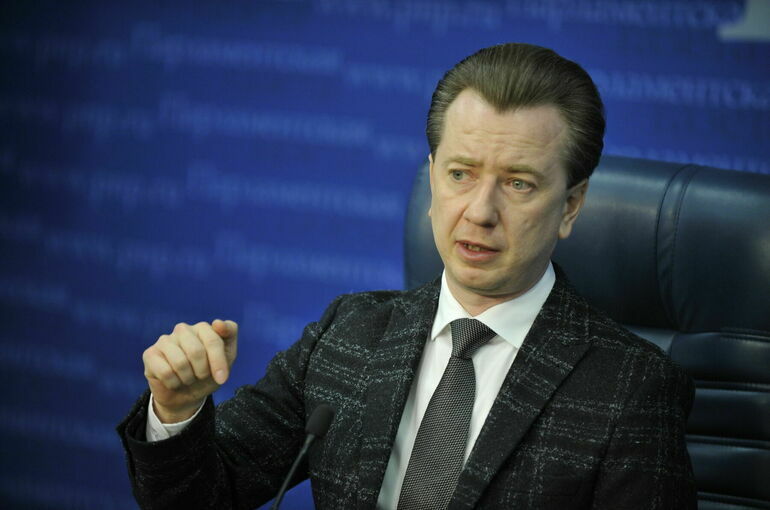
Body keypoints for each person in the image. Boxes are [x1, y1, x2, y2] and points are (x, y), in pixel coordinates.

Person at [117, 43, 696, 509]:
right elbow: (201, 497)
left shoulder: (632, 388)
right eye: (461, 174)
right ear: (432, 177)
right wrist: (177, 411)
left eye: (518, 183)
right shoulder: (348, 333)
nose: (480, 212)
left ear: (570, 205)